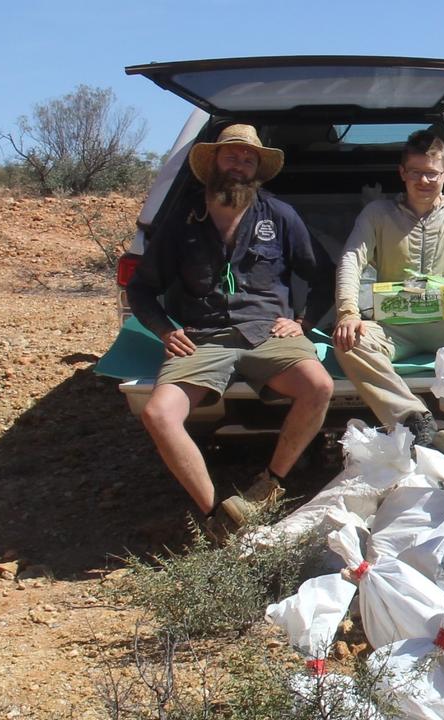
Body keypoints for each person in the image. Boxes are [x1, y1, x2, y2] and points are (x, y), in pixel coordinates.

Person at [127, 124, 335, 538]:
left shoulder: (278, 215)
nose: (239, 165)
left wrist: (303, 322)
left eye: (248, 159)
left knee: (320, 387)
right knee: (158, 413)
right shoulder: (182, 220)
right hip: (202, 337)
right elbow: (141, 288)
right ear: (214, 164)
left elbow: (323, 274)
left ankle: (267, 487)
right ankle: (214, 518)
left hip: (269, 334)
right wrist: (164, 331)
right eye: (231, 156)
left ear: (257, 168)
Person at [333, 129, 444, 454]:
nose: (424, 181)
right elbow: (352, 258)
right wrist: (348, 311)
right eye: (415, 172)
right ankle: (414, 420)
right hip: (394, 329)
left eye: (432, 173)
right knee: (348, 342)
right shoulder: (378, 214)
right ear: (402, 173)